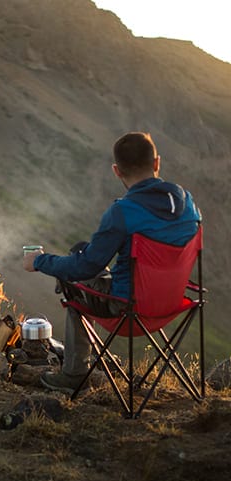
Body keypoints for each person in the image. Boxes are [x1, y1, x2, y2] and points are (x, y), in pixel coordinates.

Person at [23, 132, 201, 394]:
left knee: (75, 282)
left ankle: (74, 374)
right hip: (172, 304)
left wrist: (40, 261)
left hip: (128, 309)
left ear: (117, 171)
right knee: (82, 253)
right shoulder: (189, 207)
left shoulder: (123, 212)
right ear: (157, 163)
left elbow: (85, 268)